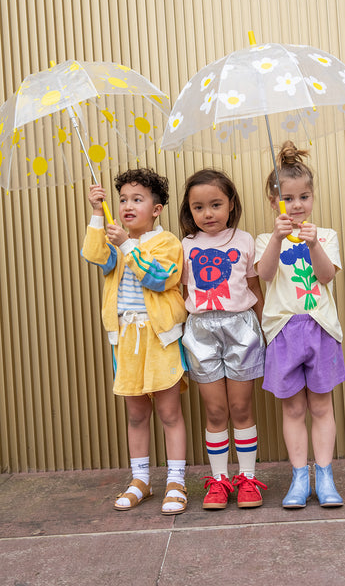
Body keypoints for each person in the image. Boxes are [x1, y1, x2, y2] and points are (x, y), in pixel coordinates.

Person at [81, 168, 189, 515]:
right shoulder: (116, 242)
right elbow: (96, 255)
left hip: (160, 339)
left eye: (137, 200)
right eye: (123, 199)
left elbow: (159, 279)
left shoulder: (168, 242)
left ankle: (176, 480)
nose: (127, 206)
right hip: (126, 339)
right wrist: (98, 214)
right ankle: (140, 479)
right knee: (136, 414)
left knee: (169, 413)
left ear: (156, 209)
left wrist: (127, 244)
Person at [255, 141, 345, 509]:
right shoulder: (267, 239)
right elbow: (264, 275)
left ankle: (323, 475)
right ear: (275, 201)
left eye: (304, 197)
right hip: (283, 332)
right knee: (292, 408)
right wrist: (278, 238)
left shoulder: (324, 236)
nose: (297, 205)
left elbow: (326, 276)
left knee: (321, 406)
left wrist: (313, 247)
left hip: (320, 327)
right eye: (288, 198)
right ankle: (298, 477)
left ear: (312, 197)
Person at [179, 168, 267, 510]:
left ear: (231, 204)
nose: (208, 213)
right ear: (189, 210)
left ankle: (246, 479)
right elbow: (183, 291)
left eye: (216, 204)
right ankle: (218, 481)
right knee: (216, 410)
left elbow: (255, 287)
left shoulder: (245, 241)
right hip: (201, 331)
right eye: (198, 207)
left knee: (241, 407)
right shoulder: (185, 246)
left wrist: (266, 329)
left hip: (241, 328)